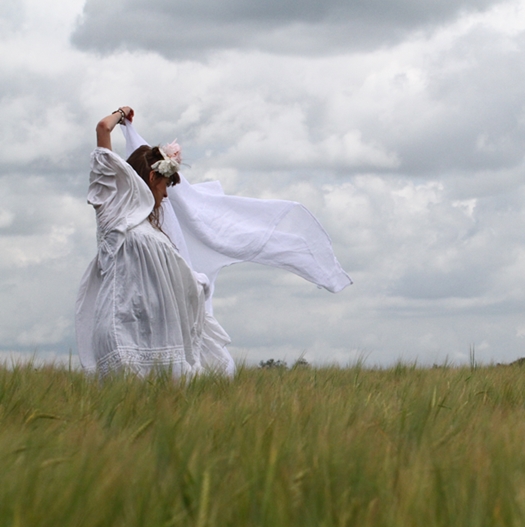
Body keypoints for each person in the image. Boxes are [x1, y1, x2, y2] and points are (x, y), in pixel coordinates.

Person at [76, 106, 352, 377]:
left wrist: (199, 284)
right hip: (121, 327)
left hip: (150, 332)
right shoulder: (113, 211)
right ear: (152, 177)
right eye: (166, 186)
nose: (167, 196)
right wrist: (122, 114)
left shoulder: (154, 232)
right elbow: (103, 127)